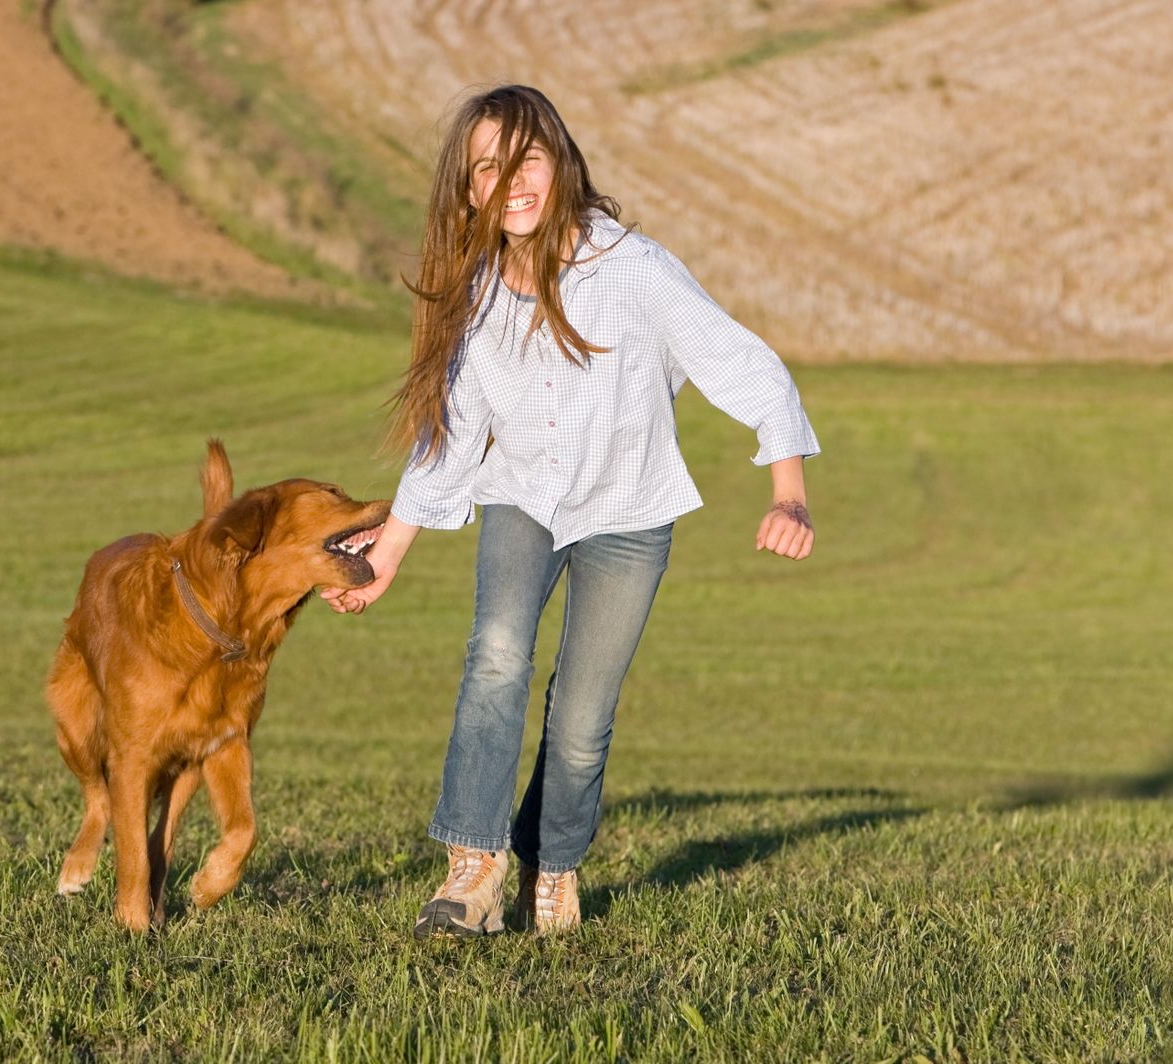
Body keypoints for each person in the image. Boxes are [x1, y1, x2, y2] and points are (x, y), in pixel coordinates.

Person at [321, 84, 819, 938]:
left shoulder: (635, 268)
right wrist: (390, 551)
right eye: (488, 167)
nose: (510, 181)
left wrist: (790, 494)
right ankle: (472, 867)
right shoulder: (476, 293)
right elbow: (454, 434)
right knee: (498, 655)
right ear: (469, 188)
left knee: (583, 715)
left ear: (560, 164)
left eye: (527, 161)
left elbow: (743, 363)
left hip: (629, 511)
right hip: (522, 497)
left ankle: (550, 868)